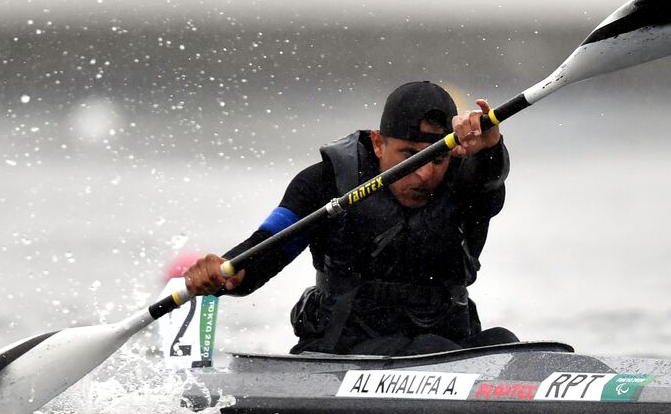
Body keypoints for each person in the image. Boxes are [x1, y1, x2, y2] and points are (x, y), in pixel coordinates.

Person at [183, 81, 519, 356]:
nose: (424, 175)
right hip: (342, 348)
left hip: (447, 345)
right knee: (428, 348)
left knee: (504, 342)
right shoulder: (327, 181)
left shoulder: (467, 181)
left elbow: (490, 177)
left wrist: (491, 145)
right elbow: (271, 243)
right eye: (409, 156)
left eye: (437, 158)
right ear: (377, 143)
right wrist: (226, 272)